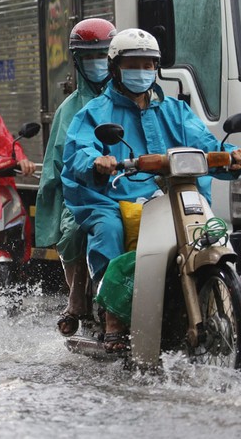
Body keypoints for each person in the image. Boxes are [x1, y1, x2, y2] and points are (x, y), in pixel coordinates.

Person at [61, 28, 241, 352]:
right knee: (109, 229)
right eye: (134, 64)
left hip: (171, 196)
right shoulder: (94, 113)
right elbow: (78, 150)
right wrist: (98, 161)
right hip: (114, 197)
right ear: (115, 68)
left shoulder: (175, 111)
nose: (141, 71)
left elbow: (204, 143)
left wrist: (229, 157)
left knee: (203, 232)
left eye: (148, 64)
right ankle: (112, 313)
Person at [35, 17, 116, 337]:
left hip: (135, 186)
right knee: (74, 232)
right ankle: (80, 298)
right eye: (89, 57)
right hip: (85, 193)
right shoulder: (70, 110)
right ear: (77, 62)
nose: (97, 64)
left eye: (103, 56)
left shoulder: (143, 101)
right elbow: (61, 162)